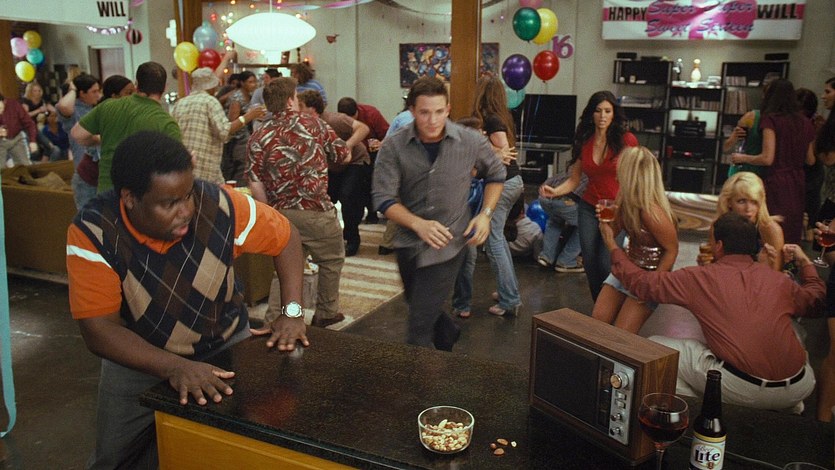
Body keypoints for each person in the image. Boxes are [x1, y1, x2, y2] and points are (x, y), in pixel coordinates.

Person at [66, 131, 307, 468]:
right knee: (116, 457)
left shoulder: (222, 205)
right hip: (138, 358)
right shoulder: (94, 231)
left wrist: (292, 312)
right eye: (169, 203)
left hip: (225, 346)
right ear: (130, 198)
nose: (186, 211)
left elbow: (287, 237)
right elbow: (99, 331)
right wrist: (175, 367)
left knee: (229, 449)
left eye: (188, 195)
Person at [602, 212, 823, 412]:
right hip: (800, 385)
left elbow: (643, 284)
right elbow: (815, 298)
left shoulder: (699, 278)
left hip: (742, 388)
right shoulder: (777, 279)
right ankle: (784, 406)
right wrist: (805, 262)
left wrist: (612, 245)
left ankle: (704, 409)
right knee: (793, 335)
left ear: (719, 245)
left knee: (656, 348)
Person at [372, 76, 506, 350]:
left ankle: (419, 374)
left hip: (449, 242)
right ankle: (447, 333)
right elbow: (383, 198)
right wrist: (417, 224)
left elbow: (496, 174)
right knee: (419, 304)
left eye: (438, 111)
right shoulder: (394, 145)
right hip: (408, 241)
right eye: (424, 112)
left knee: (418, 327)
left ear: (448, 109)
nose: (432, 120)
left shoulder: (470, 141)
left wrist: (485, 214)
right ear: (412, 111)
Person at [247, 77, 350, 329]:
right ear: (291, 100)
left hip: (281, 214)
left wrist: (270, 215)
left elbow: (255, 182)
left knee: (285, 270)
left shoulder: (258, 136)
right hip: (316, 210)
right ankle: (326, 312)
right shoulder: (314, 124)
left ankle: (277, 317)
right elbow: (343, 155)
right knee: (331, 259)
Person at [539, 90, 638, 300]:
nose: (603, 116)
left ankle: (610, 306)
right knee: (591, 264)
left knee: (605, 262)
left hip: (615, 209)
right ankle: (599, 307)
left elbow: (634, 179)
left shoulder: (627, 140)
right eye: (598, 111)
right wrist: (554, 191)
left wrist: (624, 207)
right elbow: (574, 180)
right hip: (589, 206)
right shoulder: (585, 140)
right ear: (591, 114)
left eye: (607, 111)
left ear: (614, 114)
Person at [592, 146, 678, 334]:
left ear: (631, 175)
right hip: (627, 267)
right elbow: (613, 231)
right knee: (597, 322)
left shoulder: (652, 212)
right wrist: (606, 220)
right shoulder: (625, 200)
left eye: (620, 171)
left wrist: (652, 286)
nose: (616, 176)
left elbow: (672, 250)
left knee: (621, 335)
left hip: (649, 275)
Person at [71, 61, 182, 194]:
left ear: (136, 84)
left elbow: (77, 134)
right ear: (165, 87)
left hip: (106, 192)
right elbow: (176, 168)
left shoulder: (108, 106)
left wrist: (97, 140)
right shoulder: (166, 123)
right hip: (139, 196)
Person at [731, 78, 816, 244]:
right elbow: (810, 160)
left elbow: (767, 158)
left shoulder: (771, 120)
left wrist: (742, 158)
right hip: (797, 181)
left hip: (776, 180)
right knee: (791, 230)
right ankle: (789, 260)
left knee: (770, 228)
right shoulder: (806, 122)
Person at [466, 76, 524, 316]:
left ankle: (510, 300)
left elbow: (504, 152)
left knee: (494, 242)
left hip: (504, 184)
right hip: (511, 183)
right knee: (497, 240)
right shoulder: (499, 117)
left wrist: (482, 143)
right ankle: (508, 290)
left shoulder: (492, 119)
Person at [298, 90, 371, 256]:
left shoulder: (335, 119)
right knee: (323, 198)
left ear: (312, 109)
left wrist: (348, 146)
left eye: (301, 106)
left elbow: (363, 128)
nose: (297, 109)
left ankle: (352, 239)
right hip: (333, 167)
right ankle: (327, 237)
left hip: (355, 161)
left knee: (348, 196)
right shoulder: (303, 125)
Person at [172, 67, 264, 185]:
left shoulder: (180, 104)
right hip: (206, 167)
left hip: (184, 167)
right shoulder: (210, 102)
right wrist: (248, 116)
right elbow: (224, 131)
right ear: (210, 86)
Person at [702, 171, 785, 271]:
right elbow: (714, 268)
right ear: (728, 202)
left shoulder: (770, 229)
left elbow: (776, 275)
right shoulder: (718, 226)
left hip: (761, 279)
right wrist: (705, 265)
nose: (748, 209)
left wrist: (761, 265)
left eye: (754, 202)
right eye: (741, 201)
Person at [337, 96, 390, 224]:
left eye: (353, 118)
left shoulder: (372, 114)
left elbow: (388, 134)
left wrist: (380, 144)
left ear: (357, 111)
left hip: (372, 155)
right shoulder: (338, 120)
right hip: (352, 157)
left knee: (370, 182)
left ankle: (372, 212)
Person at [56, 73, 102, 209]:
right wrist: (72, 89)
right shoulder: (74, 110)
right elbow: (64, 106)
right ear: (82, 93)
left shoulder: (95, 108)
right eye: (94, 91)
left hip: (98, 170)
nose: (98, 95)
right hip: (84, 171)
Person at [537, 169, 586, 272]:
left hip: (544, 196)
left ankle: (546, 257)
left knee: (555, 221)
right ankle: (566, 261)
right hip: (567, 201)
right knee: (586, 226)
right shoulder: (591, 175)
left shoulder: (573, 169)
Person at [221, 70, 258, 183]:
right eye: (250, 82)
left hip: (245, 136)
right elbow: (233, 120)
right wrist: (249, 116)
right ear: (242, 83)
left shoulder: (250, 96)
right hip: (237, 139)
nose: (254, 85)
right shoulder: (237, 98)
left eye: (254, 82)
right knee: (240, 168)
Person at [797, 87, 824, 236]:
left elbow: (811, 159)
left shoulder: (812, 125)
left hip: (810, 172)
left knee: (808, 209)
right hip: (811, 171)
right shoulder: (814, 123)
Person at [0, 93, 39, 166]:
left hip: (16, 139)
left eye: (0, 108)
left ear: (4, 101)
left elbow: (29, 123)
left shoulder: (14, 105)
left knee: (24, 166)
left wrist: (32, 141)